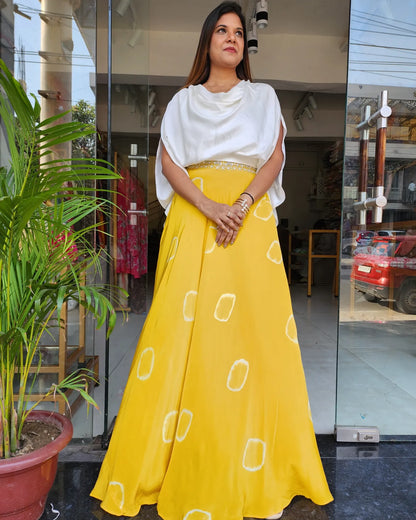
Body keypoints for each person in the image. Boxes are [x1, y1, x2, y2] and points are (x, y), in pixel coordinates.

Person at [91, 2, 333, 519]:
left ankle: (263, 463)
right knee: (181, 330)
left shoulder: (264, 97)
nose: (231, 38)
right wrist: (209, 207)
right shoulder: (182, 102)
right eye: (221, 30)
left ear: (246, 46)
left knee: (254, 335)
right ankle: (175, 456)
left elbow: (274, 157)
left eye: (239, 32)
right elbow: (169, 162)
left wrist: (241, 205)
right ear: (206, 43)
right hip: (195, 219)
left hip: (250, 223)